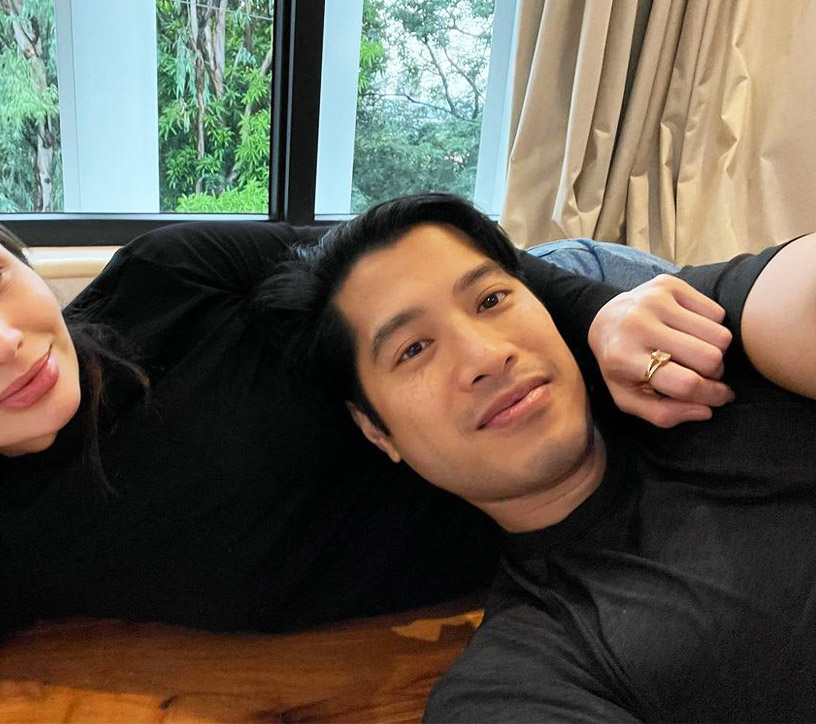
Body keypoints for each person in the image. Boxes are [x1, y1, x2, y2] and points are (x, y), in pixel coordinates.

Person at [0, 170, 727, 721]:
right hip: (558, 519)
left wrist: (601, 316)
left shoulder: (169, 273)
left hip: (553, 303)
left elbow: (410, 266)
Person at [273, 191, 816, 721]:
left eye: (491, 300)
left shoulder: (693, 345)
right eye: (413, 349)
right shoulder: (519, 679)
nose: (487, 357)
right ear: (376, 431)